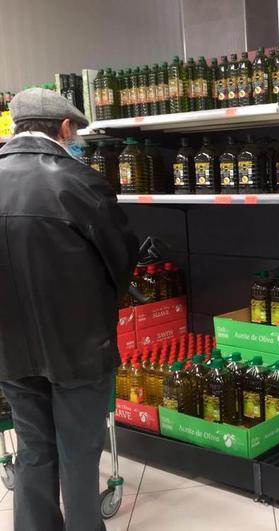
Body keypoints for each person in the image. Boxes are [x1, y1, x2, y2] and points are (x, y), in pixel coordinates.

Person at [0, 88, 138, 531]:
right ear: (64, 127)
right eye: (75, 131)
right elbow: (121, 260)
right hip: (77, 349)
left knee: (35, 448)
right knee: (78, 453)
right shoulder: (79, 182)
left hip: (9, 349)